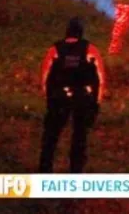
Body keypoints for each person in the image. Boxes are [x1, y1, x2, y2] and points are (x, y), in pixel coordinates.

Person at [38, 17, 105, 173]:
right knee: (79, 137)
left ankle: (45, 170)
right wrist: (97, 102)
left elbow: (45, 75)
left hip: (58, 97)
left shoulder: (55, 49)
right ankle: (75, 172)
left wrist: (48, 97)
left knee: (51, 137)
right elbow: (100, 77)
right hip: (83, 98)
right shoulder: (90, 49)